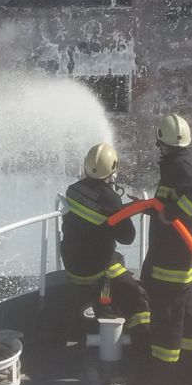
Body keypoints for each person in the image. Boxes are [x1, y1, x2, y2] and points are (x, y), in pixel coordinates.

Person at [141, 112, 192, 377]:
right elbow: (174, 202)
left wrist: (170, 213)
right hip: (185, 264)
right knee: (189, 319)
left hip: (172, 265)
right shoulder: (181, 164)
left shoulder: (178, 167)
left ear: (161, 141)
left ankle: (162, 381)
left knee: (167, 321)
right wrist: (155, 209)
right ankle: (190, 372)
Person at [61, 142, 151, 342]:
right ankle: (142, 338)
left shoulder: (73, 190)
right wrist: (122, 208)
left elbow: (94, 215)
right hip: (96, 267)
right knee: (137, 295)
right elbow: (127, 237)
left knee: (115, 260)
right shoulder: (111, 199)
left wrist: (120, 209)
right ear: (113, 168)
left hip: (72, 262)